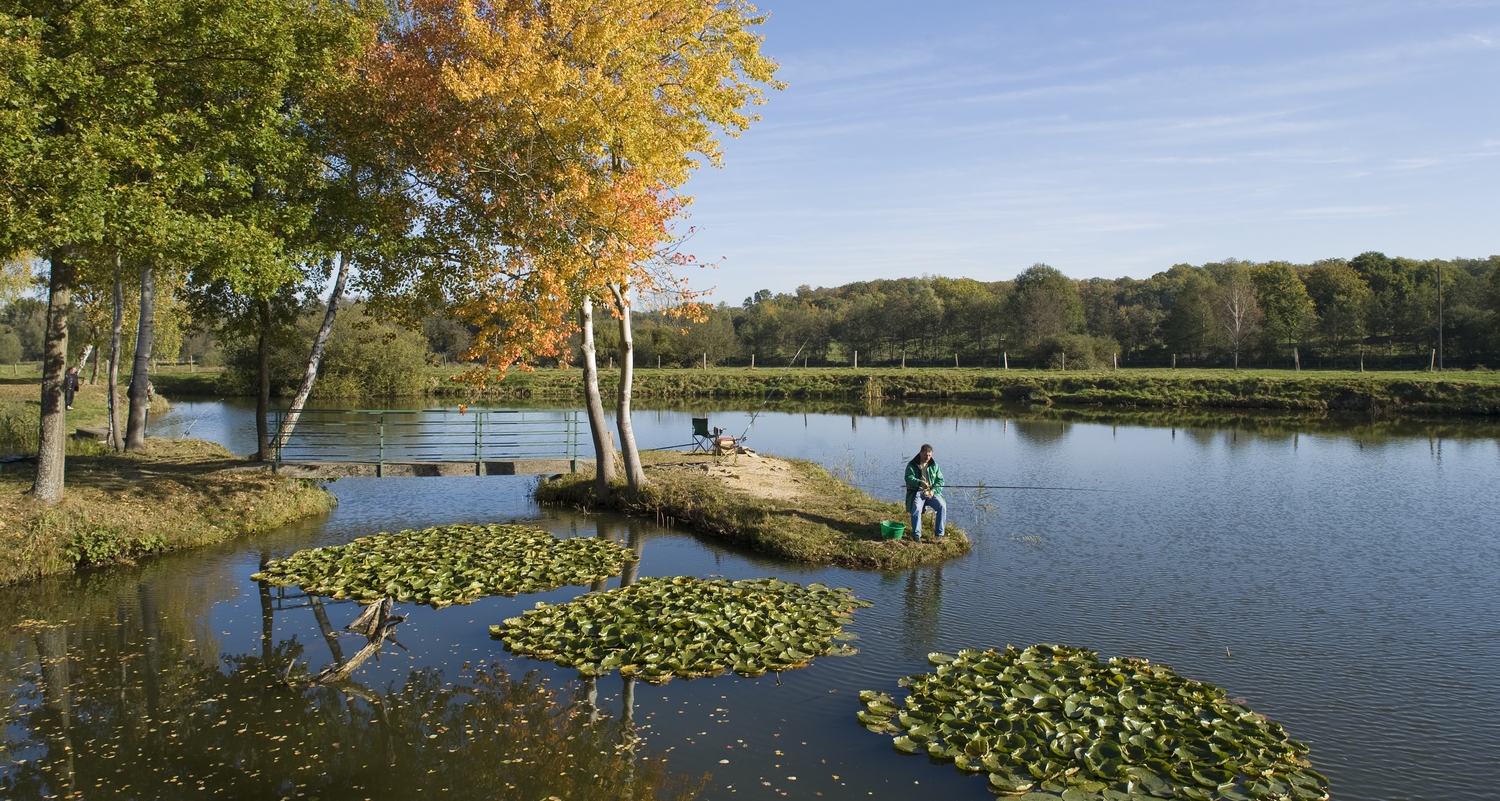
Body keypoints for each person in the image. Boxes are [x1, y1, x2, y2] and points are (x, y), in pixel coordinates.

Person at [904, 443, 946, 541]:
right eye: (925, 455)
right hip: (917, 492)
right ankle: (916, 534)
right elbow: (908, 478)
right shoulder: (912, 465)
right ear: (920, 453)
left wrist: (933, 491)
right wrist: (920, 483)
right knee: (917, 508)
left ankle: (939, 535)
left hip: (931, 493)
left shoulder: (934, 465)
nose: (927, 457)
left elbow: (940, 481)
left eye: (929, 455)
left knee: (942, 506)